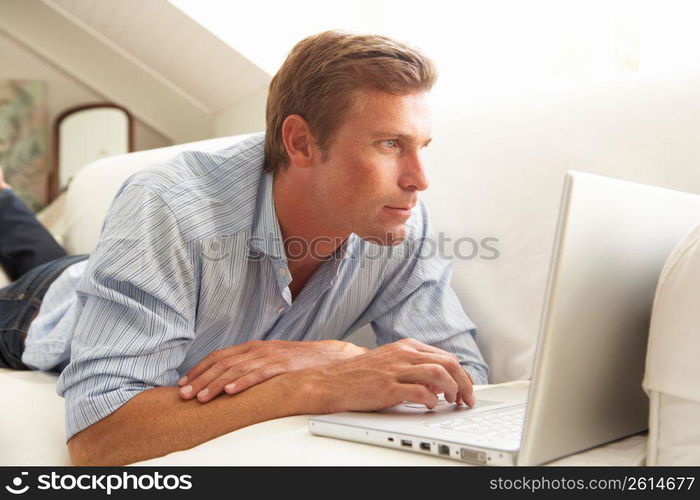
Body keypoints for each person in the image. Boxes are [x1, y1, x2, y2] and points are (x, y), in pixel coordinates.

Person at [0, 31, 489, 465]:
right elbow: (97, 441)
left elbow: (464, 377)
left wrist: (330, 357)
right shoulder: (170, 203)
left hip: (134, 275)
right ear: (300, 142)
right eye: (388, 144)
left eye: (422, 146)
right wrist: (318, 378)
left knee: (58, 257)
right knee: (47, 275)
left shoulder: (397, 219)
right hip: (41, 308)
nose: (419, 180)